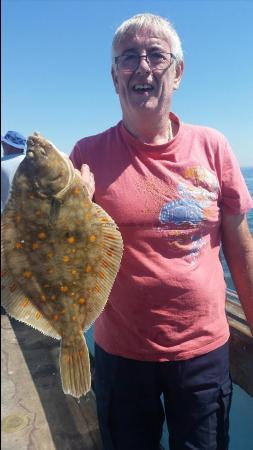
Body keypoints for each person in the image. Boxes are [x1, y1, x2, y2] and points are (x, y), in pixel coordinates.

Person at [70, 13, 253, 450]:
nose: (143, 67)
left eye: (156, 55)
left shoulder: (214, 146)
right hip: (121, 353)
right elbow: (69, 257)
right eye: (128, 57)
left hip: (203, 352)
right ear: (115, 77)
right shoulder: (86, 154)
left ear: (179, 71)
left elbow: (241, 249)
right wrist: (73, 209)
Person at [1, 130, 27, 213]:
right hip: (30, 220)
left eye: (3, 143)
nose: (2, 146)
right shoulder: (33, 163)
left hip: (8, 220)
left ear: (11, 146)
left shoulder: (2, 163)